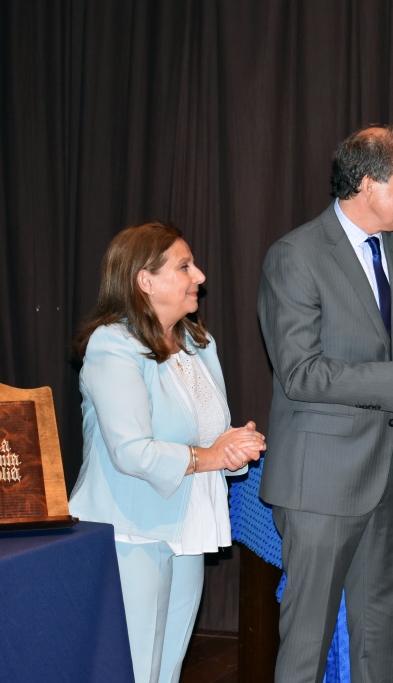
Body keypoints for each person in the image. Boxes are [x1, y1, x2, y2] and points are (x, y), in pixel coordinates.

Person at [257, 124, 393, 683]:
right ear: (370, 184)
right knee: (307, 647)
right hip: (320, 484)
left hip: (392, 476)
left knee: (381, 645)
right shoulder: (296, 255)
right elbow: (300, 373)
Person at [69, 222, 265, 683]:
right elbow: (132, 453)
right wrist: (210, 456)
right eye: (184, 266)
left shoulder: (200, 343)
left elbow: (206, 435)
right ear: (144, 280)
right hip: (131, 531)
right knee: (133, 670)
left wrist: (232, 446)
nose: (199, 276)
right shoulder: (112, 345)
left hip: (186, 525)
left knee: (168, 668)